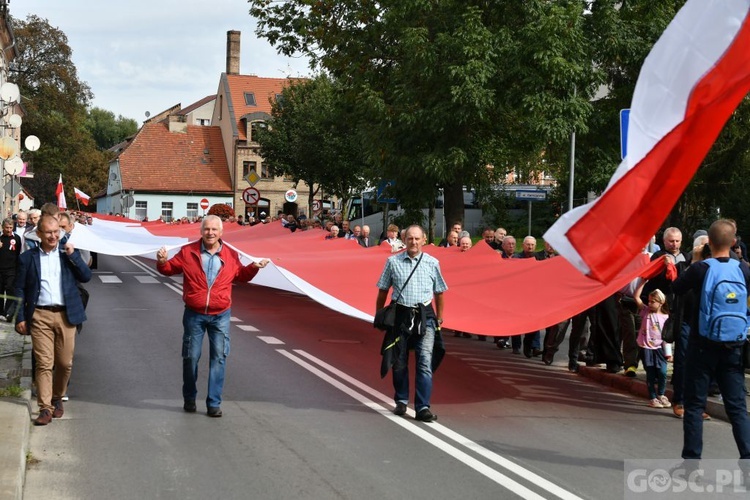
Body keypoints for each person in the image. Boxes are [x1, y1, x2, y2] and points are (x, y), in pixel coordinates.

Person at [156, 215, 269, 417]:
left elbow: (241, 276)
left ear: (221, 232)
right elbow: (169, 270)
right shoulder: (188, 252)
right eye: (207, 229)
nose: (210, 233)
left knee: (219, 358)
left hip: (221, 315)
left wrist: (253, 268)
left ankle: (213, 403)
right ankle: (189, 398)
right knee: (190, 357)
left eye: (214, 230)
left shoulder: (231, 254)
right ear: (201, 231)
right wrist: (162, 261)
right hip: (194, 314)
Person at [672, 219, 750, 460]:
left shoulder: (701, 268)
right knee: (737, 407)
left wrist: (695, 259)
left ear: (709, 243)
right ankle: (747, 456)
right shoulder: (744, 269)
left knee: (695, 405)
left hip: (702, 344)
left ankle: (691, 463)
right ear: (733, 241)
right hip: (734, 345)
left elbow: (677, 288)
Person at [14, 214, 92, 426]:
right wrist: (20, 317)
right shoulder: (27, 258)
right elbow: (19, 288)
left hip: (67, 315)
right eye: (48, 232)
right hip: (40, 315)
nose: (53, 236)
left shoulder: (67, 254)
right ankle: (45, 408)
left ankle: (58, 397)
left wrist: (74, 255)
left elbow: (86, 276)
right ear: (39, 234)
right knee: (44, 363)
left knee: (65, 363)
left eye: (56, 232)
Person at [376, 225, 447, 422]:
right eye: (410, 239)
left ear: (424, 239)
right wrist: (379, 314)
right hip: (400, 315)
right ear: (404, 240)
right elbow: (382, 290)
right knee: (399, 362)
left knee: (424, 362)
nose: (413, 242)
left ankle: (423, 407)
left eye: (417, 239)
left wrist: (439, 317)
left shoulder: (433, 263)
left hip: (425, 316)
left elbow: (439, 292)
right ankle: (401, 400)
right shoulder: (392, 262)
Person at [634, 288, 672, 408]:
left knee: (662, 372)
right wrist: (643, 283)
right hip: (647, 347)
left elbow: (667, 337)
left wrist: (669, 353)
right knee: (650, 373)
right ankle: (653, 397)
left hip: (660, 348)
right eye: (649, 301)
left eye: (653, 301)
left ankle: (661, 394)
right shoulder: (646, 312)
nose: (649, 304)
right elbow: (636, 297)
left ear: (661, 302)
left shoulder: (666, 317)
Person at [0, 217, 21, 319]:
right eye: (6, 227)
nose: (8, 230)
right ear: (2, 227)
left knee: (10, 290)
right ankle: (0, 312)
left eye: (10, 227)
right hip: (0, 269)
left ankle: (8, 313)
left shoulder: (16, 238)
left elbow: (18, 253)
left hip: (11, 269)